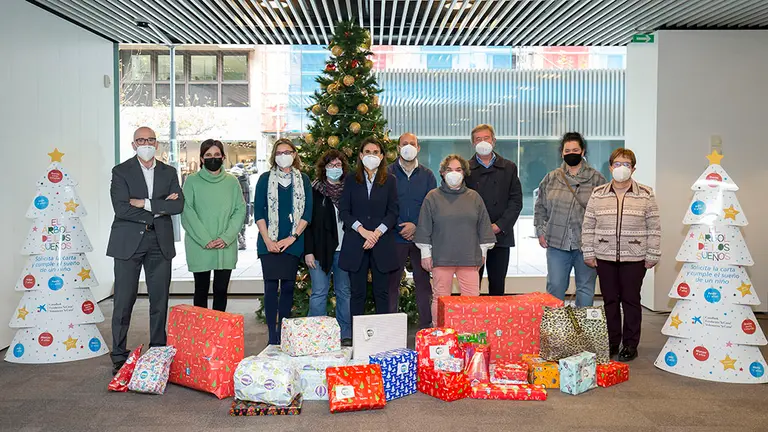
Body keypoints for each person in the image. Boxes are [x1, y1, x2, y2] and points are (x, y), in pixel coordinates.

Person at [107, 126, 184, 374]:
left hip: (159, 243)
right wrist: (159, 207)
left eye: (150, 140)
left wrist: (144, 203)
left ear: (156, 144)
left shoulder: (169, 171)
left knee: (159, 300)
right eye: (141, 140)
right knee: (123, 300)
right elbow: (121, 209)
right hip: (128, 243)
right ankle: (119, 354)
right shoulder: (120, 171)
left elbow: (178, 206)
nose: (146, 143)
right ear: (133, 145)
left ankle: (158, 351)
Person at [582, 148, 661, 362]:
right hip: (604, 256)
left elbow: (654, 226)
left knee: (631, 300)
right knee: (609, 301)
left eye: (626, 164)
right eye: (617, 164)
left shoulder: (645, 193)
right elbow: (588, 225)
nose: (621, 168)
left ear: (633, 168)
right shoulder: (598, 193)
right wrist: (588, 251)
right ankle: (612, 341)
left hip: (634, 258)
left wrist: (653, 253)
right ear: (610, 167)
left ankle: (630, 344)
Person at [414, 155, 496, 324]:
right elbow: (424, 226)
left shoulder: (474, 197)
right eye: (449, 170)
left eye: (458, 170)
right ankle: (440, 334)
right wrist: (425, 253)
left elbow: (483, 226)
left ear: (464, 173)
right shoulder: (432, 197)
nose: (454, 173)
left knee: (472, 300)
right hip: (441, 257)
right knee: (440, 299)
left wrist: (483, 252)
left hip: (469, 257)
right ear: (442, 173)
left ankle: (469, 334)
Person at [534, 132, 607, 306]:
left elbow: (604, 212)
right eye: (567, 150)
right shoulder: (551, 178)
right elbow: (540, 207)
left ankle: (583, 330)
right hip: (557, 242)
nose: (571, 153)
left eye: (575, 149)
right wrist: (540, 231)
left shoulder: (597, 179)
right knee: (555, 287)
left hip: (586, 245)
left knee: (585, 288)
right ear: (562, 153)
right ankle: (555, 329)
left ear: (582, 152)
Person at [254, 138, 313, 345]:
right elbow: (258, 211)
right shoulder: (264, 179)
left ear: (295, 154)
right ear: (274, 156)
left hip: (293, 242)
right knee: (271, 288)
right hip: (268, 242)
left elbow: (307, 212)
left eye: (287, 152)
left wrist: (292, 237)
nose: (283, 156)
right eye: (279, 153)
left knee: (288, 287)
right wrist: (268, 240)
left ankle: (284, 333)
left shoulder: (303, 179)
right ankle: (272, 336)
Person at [181, 139, 246, 312]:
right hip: (199, 245)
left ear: (223, 157)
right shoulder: (192, 181)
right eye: (208, 155)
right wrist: (205, 239)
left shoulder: (232, 182)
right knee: (200, 290)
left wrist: (226, 237)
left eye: (217, 154)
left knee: (221, 291)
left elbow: (240, 210)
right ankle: (200, 333)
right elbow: (187, 212)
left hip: (225, 245)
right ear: (202, 158)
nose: (213, 158)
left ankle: (218, 334)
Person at [339, 138, 399, 318]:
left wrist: (376, 233)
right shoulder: (350, 179)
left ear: (382, 156)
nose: (371, 155)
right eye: (367, 152)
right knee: (357, 294)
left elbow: (393, 211)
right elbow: (344, 211)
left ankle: (382, 338)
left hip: (381, 243)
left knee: (382, 293)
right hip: (356, 241)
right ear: (360, 155)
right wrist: (363, 231)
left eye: (375, 152)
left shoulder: (390, 180)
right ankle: (358, 338)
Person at [465, 124, 523, 296]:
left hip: (501, 235)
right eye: (478, 139)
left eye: (486, 138)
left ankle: (496, 322)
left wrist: (499, 225)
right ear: (472, 143)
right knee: (471, 285)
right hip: (473, 237)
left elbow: (516, 201)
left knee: (498, 285)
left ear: (494, 141)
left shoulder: (509, 167)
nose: (483, 142)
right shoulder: (466, 169)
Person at [387, 132, 437, 328]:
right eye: (404, 144)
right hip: (394, 236)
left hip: (421, 238)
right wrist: (400, 225)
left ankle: (426, 326)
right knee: (392, 285)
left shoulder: (428, 175)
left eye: (412, 143)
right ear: (398, 148)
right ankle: (390, 327)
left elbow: (431, 205)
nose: (408, 147)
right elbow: (385, 204)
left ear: (418, 148)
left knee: (424, 285)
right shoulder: (388, 172)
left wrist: (416, 225)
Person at [305, 149, 353, 346]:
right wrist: (308, 251)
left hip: (345, 251)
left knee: (344, 292)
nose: (335, 168)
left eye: (338, 165)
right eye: (331, 165)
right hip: (318, 251)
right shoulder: (314, 191)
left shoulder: (350, 190)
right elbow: (306, 222)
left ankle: (345, 334)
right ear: (323, 168)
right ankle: (316, 335)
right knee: (319, 292)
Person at [230, 162, 251, 250]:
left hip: (238, 206)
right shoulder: (245, 180)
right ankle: (242, 241)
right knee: (242, 225)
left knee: (237, 224)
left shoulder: (237, 181)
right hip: (245, 205)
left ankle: (241, 241)